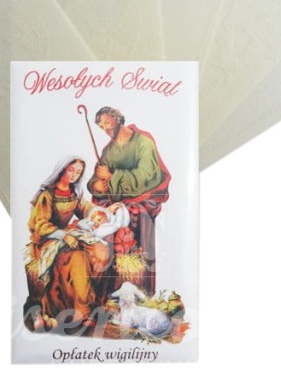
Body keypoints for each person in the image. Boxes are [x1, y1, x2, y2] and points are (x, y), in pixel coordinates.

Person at [87, 106, 171, 294]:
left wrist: (112, 177)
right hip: (118, 203)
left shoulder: (143, 141)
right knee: (102, 222)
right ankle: (109, 289)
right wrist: (97, 186)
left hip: (143, 200)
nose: (105, 129)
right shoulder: (108, 150)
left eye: (107, 122)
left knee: (130, 220)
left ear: (117, 118)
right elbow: (96, 178)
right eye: (101, 127)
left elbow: (148, 176)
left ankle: (138, 289)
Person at [24, 157, 111, 331]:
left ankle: (95, 302)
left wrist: (101, 214)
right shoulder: (47, 195)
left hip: (69, 234)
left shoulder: (74, 193)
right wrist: (63, 236)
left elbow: (86, 209)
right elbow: (39, 225)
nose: (73, 175)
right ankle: (82, 311)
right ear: (62, 169)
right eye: (71, 170)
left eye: (78, 172)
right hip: (49, 239)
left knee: (102, 251)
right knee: (78, 258)